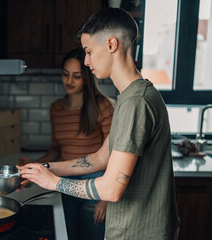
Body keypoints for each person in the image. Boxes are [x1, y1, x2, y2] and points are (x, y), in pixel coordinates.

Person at [17, 7, 180, 240]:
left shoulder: (136, 103)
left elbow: (112, 189)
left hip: (138, 233)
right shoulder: (129, 98)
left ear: (111, 45)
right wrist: (42, 170)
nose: (86, 61)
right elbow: (99, 159)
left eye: (89, 51)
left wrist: (53, 182)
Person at [18, 48, 114, 240]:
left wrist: (105, 199)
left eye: (76, 76)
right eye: (65, 74)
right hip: (64, 182)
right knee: (66, 234)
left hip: (94, 184)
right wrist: (36, 165)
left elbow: (112, 156)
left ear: (86, 78)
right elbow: (56, 149)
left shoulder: (103, 106)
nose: (69, 81)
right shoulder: (57, 108)